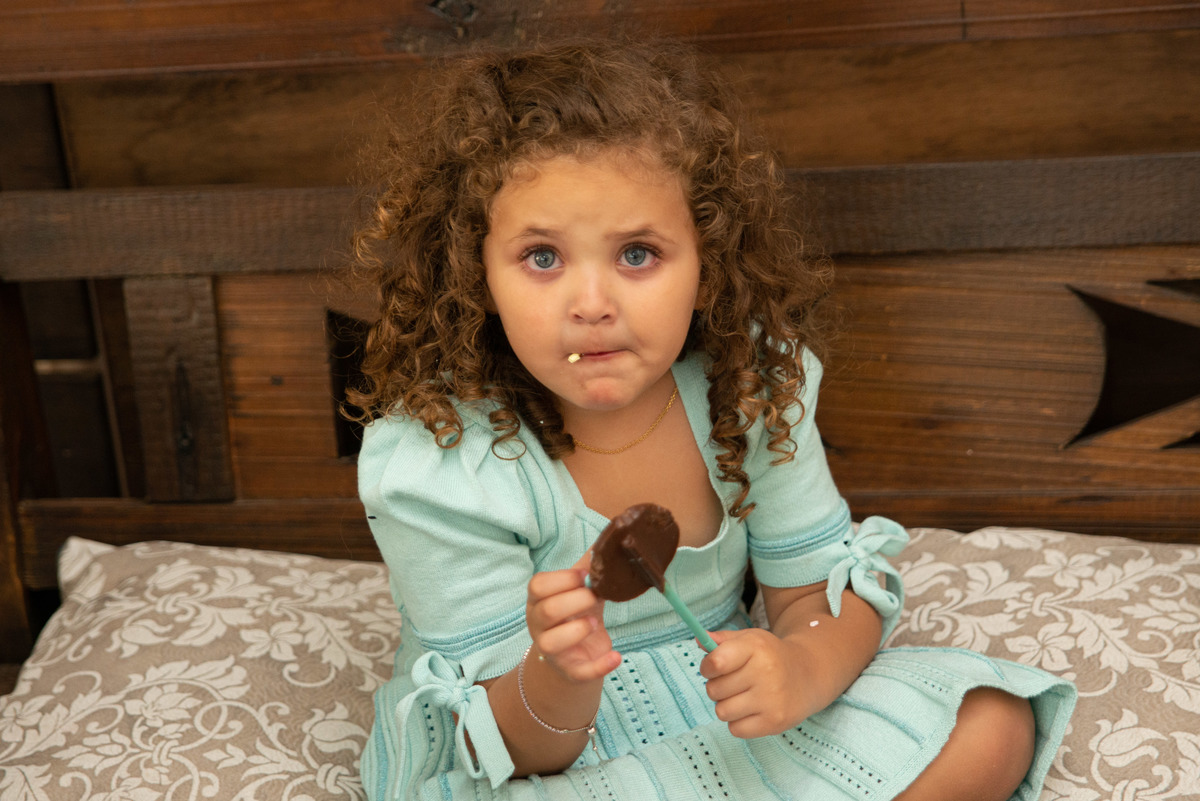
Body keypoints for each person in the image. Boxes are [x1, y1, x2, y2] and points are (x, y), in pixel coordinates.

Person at [350, 38, 1075, 801]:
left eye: (637, 254)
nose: (592, 304)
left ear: (708, 262)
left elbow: (816, 591)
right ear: (478, 274)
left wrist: (801, 667)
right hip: (551, 745)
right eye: (541, 257)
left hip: (727, 704)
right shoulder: (441, 459)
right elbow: (503, 744)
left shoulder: (750, 383)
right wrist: (559, 670)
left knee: (990, 722)